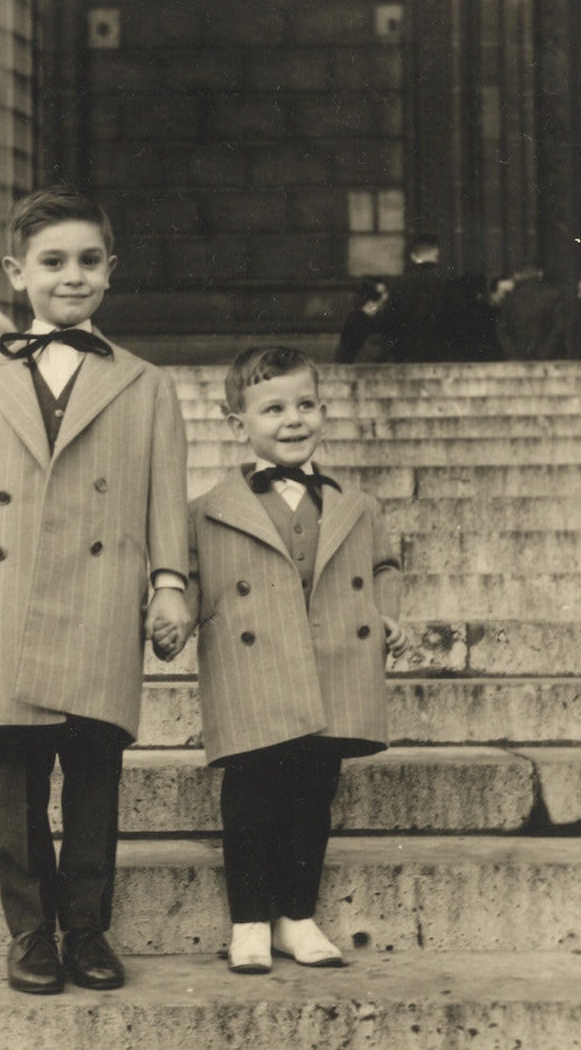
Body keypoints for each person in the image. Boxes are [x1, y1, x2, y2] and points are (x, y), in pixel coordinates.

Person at [0, 186, 190, 995]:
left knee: (95, 774)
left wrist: (170, 584)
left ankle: (87, 928)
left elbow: (164, 496)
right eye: (52, 262)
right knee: (16, 781)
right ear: (16, 273)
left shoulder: (146, 385)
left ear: (110, 271)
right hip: (1, 597)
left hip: (103, 594)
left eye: (86, 261)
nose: (70, 276)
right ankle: (30, 932)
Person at [155, 346, 406, 975]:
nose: (293, 420)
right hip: (254, 679)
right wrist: (174, 619)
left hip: (331, 669)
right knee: (249, 800)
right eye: (273, 409)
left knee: (312, 797)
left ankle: (296, 916)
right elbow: (181, 580)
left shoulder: (358, 505)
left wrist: (389, 612)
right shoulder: (207, 510)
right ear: (238, 423)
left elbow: (383, 567)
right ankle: (248, 923)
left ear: (322, 410)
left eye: (305, 405)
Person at [372, 233, 451, 362]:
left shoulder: (399, 284)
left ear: (413, 256)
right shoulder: (447, 282)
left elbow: (388, 321)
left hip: (406, 354)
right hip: (440, 355)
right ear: (436, 253)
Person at [495, 264, 567, 360]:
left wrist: (512, 355)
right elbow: (559, 328)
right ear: (540, 274)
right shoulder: (552, 296)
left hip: (517, 359)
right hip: (546, 359)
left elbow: (501, 331)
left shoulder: (509, 299)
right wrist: (545, 353)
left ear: (518, 275)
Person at [333, 279, 389, 363]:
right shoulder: (356, 319)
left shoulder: (379, 319)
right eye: (382, 293)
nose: (386, 297)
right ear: (370, 298)